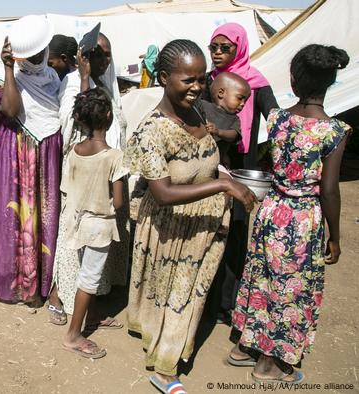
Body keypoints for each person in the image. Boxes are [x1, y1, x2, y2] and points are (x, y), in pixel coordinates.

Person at [125, 39, 256, 393]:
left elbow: (206, 162)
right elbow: (164, 193)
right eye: (188, 80)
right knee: (178, 294)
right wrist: (223, 188)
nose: (198, 88)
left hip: (205, 226)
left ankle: (163, 343)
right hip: (173, 228)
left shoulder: (197, 113)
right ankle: (166, 370)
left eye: (201, 79)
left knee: (189, 295)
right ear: (164, 77)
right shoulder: (152, 130)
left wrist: (226, 178)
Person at [228, 44, 351, 384]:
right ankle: (268, 363)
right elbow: (328, 190)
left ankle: (244, 346)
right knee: (289, 289)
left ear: (294, 82)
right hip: (301, 219)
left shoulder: (279, 119)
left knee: (261, 276)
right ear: (330, 84)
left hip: (271, 211)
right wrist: (335, 236)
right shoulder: (334, 132)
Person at [50, 31, 128, 325]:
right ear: (84, 56)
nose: (105, 60)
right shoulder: (73, 84)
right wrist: (83, 79)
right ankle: (60, 295)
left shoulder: (105, 85)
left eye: (108, 54)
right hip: (83, 173)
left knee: (95, 243)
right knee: (74, 236)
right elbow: (72, 125)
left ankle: (90, 304)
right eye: (98, 54)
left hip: (105, 170)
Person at [204, 22, 279, 327]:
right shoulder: (209, 82)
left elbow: (275, 121)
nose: (218, 53)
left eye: (226, 48)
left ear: (240, 48)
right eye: (214, 47)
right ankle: (204, 303)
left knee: (234, 235)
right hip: (209, 169)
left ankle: (225, 306)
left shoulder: (255, 85)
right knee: (207, 231)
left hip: (241, 171)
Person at [0, 31, 62, 303]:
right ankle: (25, 286)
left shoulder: (52, 76)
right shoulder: (7, 78)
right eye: (29, 53)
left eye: (39, 51)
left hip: (49, 150)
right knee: (24, 216)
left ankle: (46, 281)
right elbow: (9, 111)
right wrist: (10, 68)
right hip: (21, 151)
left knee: (46, 215)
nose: (36, 57)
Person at [60, 87, 127, 359]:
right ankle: (73, 334)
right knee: (89, 278)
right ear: (109, 116)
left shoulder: (75, 151)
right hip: (99, 226)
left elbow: (68, 188)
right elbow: (119, 202)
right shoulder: (113, 156)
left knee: (88, 274)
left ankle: (92, 315)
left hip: (77, 222)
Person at [197, 72, 250, 169]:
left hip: (216, 163)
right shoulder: (202, 106)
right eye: (239, 98)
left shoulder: (234, 119)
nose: (243, 104)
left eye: (245, 101)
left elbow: (234, 135)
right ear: (221, 93)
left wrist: (218, 132)